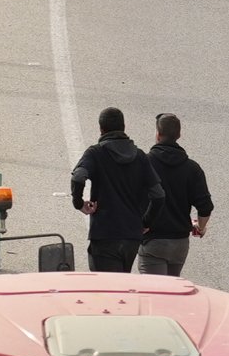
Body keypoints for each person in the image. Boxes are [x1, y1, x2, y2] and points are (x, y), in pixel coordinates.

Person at [71, 106, 164, 272]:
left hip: (104, 233)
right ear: (124, 127)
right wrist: (145, 222)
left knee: (106, 291)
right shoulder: (140, 156)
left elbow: (78, 176)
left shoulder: (95, 153)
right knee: (122, 285)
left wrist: (79, 203)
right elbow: (158, 195)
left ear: (101, 129)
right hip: (131, 236)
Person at [143, 112, 214, 276]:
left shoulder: (145, 163)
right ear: (179, 135)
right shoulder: (192, 168)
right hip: (179, 244)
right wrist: (200, 227)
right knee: (172, 292)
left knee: (156, 292)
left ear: (158, 135)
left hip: (153, 240)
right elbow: (205, 207)